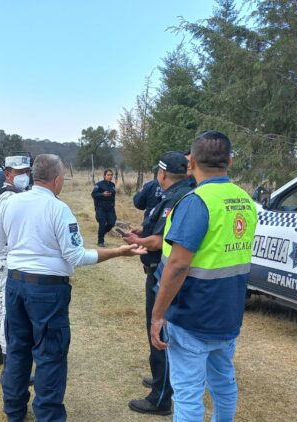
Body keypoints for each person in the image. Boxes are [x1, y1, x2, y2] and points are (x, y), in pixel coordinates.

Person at [0, 154, 146, 422]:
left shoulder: (11, 203)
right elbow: (76, 256)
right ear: (56, 180)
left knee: (17, 350)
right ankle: (48, 415)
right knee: (50, 355)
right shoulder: (58, 209)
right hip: (47, 292)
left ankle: (14, 412)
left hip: (15, 285)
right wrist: (118, 252)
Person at [150, 131, 258, 421]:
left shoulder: (196, 201)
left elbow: (178, 265)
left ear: (191, 162)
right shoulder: (245, 201)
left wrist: (157, 315)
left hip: (192, 314)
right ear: (230, 161)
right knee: (224, 382)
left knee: (188, 392)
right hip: (228, 312)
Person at [122, 152, 194, 416]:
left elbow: (161, 240)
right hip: (160, 271)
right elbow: (159, 230)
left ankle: (160, 398)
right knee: (161, 334)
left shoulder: (177, 198)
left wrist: (138, 241)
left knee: (159, 334)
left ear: (162, 174)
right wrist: (143, 233)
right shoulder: (175, 194)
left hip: (162, 274)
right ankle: (161, 380)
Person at [0, 155, 32, 365]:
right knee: (9, 309)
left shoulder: (6, 193)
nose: (24, 176)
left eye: (27, 172)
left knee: (1, 302)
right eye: (19, 172)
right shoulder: (10, 197)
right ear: (7, 173)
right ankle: (9, 359)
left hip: (3, 256)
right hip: (7, 256)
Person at [91, 169, 117, 246]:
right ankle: (100, 241)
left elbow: (113, 196)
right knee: (102, 224)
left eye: (111, 175)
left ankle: (101, 233)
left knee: (112, 223)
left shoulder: (113, 185)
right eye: (108, 175)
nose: (110, 176)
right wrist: (102, 194)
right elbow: (93, 194)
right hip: (101, 208)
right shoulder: (99, 184)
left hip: (110, 208)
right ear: (104, 176)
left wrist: (113, 205)